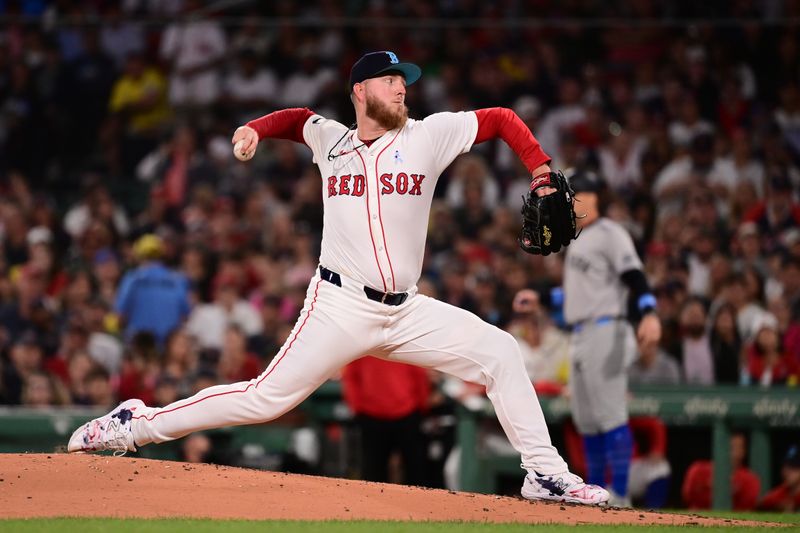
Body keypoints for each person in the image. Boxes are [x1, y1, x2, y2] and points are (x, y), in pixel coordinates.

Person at [67, 51, 608, 505]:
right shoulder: (333, 142)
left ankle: (543, 472)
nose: (401, 90)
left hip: (406, 311)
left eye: (404, 82)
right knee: (264, 400)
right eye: (391, 81)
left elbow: (502, 118)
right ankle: (135, 424)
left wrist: (539, 169)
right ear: (360, 90)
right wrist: (254, 128)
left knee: (501, 352)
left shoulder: (428, 136)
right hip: (338, 307)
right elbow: (297, 118)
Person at [516, 170, 661, 507]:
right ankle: (599, 495)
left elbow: (634, 276)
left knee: (611, 416)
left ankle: (621, 495)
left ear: (594, 197)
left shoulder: (611, 232)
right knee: (588, 421)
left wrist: (650, 313)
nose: (572, 198)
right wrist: (541, 299)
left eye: (579, 192)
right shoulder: (579, 238)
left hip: (607, 329)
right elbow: (577, 295)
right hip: (581, 334)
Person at [342, 356, 430, 486]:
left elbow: (419, 375)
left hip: (403, 413)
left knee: (413, 469)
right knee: (375, 471)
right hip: (375, 414)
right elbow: (351, 376)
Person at [114, 234, 191, 347]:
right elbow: (185, 316)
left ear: (139, 255)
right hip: (168, 346)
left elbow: (120, 315)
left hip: (140, 346)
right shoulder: (177, 279)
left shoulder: (132, 279)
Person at [758, 444, 800, 512]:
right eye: (785, 466)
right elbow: (760, 505)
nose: (787, 471)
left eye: (794, 466)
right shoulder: (781, 492)